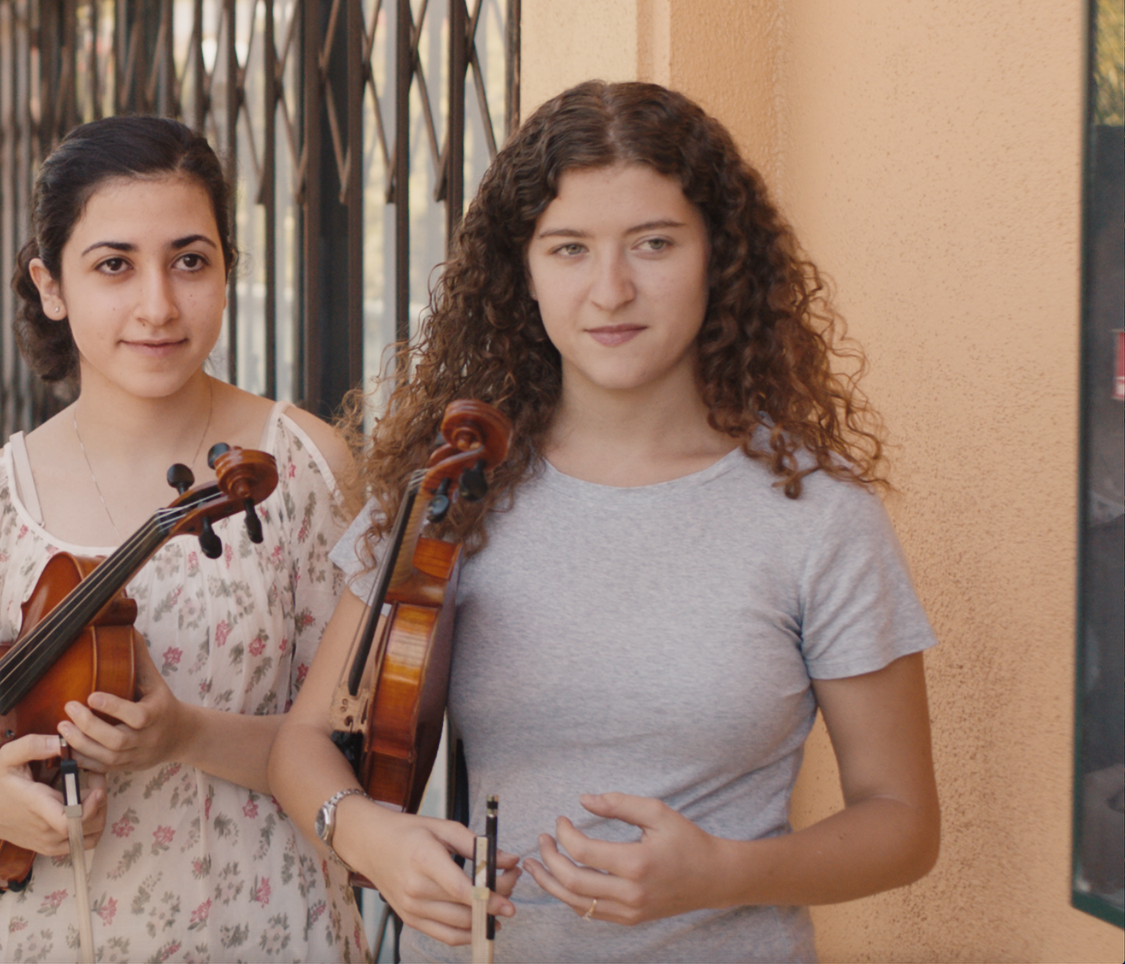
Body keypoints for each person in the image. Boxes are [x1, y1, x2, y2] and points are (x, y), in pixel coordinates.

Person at [269, 80, 940, 962]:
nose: (611, 289)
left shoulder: (819, 516)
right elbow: (302, 744)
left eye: (654, 244)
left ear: (720, 258)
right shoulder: (447, 490)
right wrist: (366, 836)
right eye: (569, 249)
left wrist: (725, 874)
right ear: (525, 271)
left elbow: (903, 822)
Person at [0, 115, 367, 963]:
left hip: (269, 931)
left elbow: (351, 749)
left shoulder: (302, 464)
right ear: (52, 286)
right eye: (114, 265)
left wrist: (187, 736)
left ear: (229, 270)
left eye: (190, 261)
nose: (157, 305)